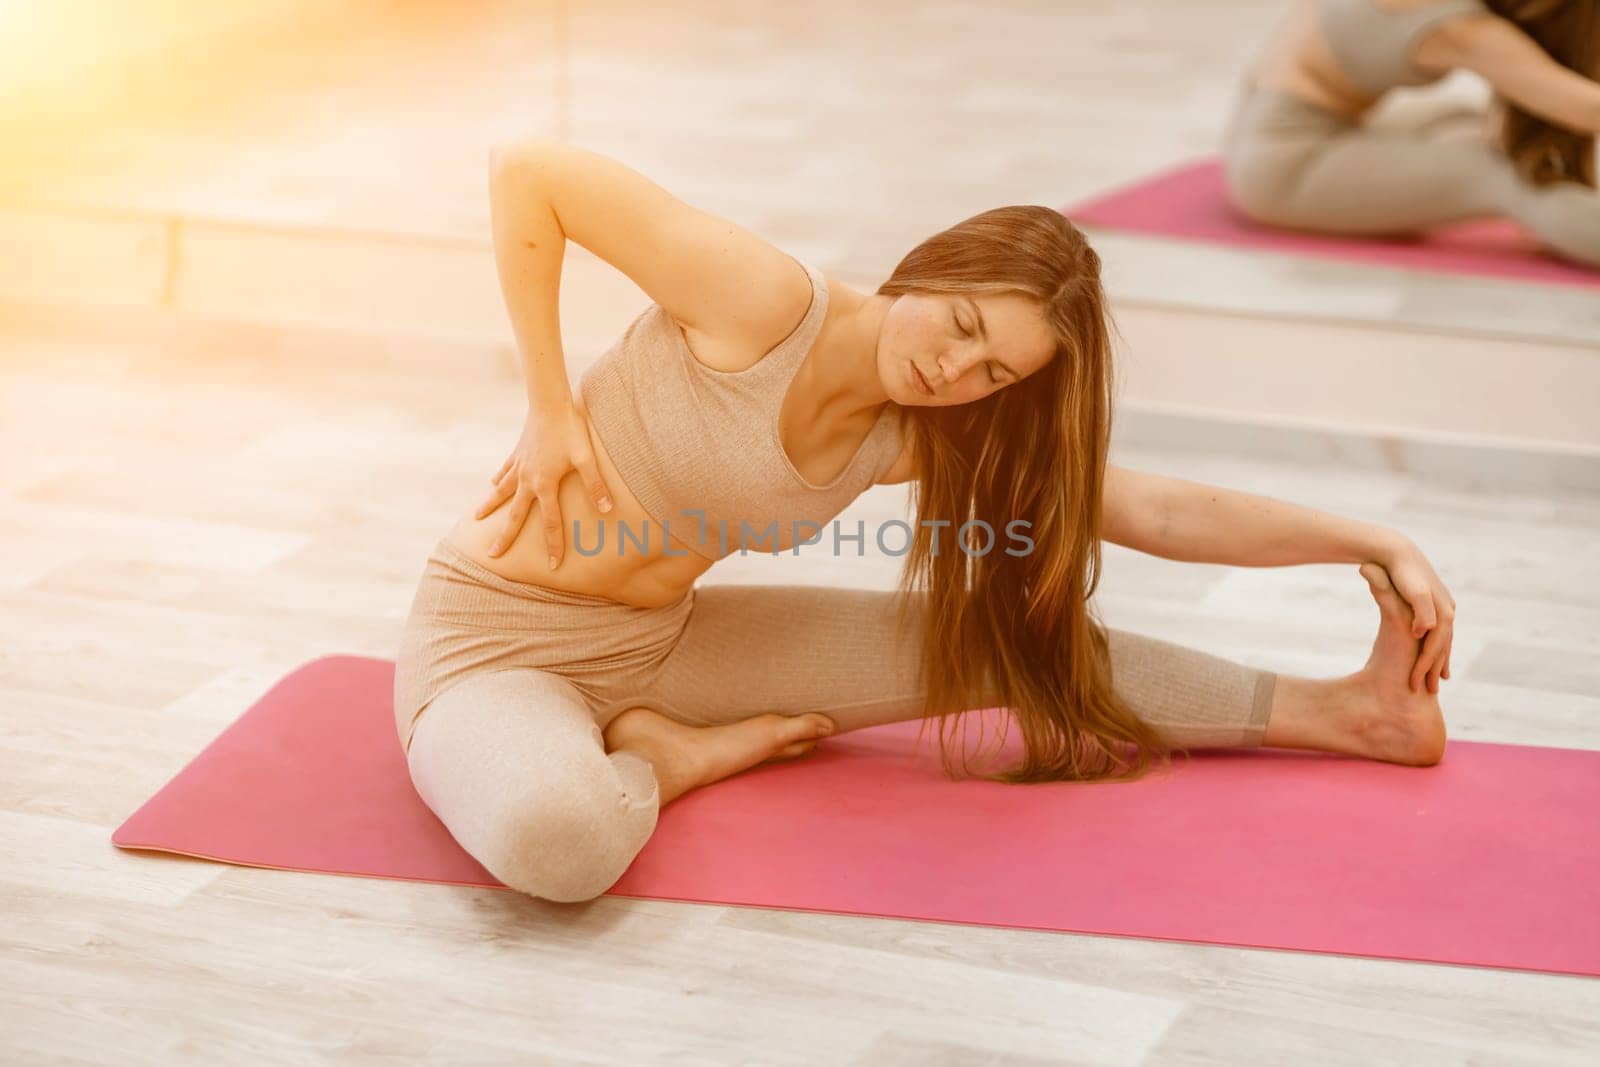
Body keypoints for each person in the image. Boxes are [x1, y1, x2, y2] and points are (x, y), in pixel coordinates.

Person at [392, 140, 1455, 904]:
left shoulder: (916, 431)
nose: (952, 370)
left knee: (999, 642)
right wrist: (547, 405)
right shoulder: (762, 303)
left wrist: (1371, 539)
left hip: (664, 642)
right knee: (563, 843)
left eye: (990, 370)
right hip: (493, 645)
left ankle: (1351, 712)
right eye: (959, 324)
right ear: (934, 266)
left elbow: (1150, 506)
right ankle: (669, 763)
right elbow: (529, 172)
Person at [1224, 0, 1600, 266]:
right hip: (1284, 165)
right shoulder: (1457, 28)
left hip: (1261, 120)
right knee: (1500, 175)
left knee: (1461, 122)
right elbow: (1585, 109)